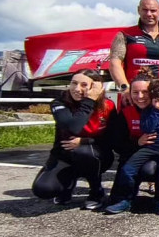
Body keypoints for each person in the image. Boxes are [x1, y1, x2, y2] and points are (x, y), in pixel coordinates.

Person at [105, 79, 159, 215]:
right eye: (135, 92)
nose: (140, 96)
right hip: (149, 148)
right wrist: (156, 111)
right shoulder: (148, 111)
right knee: (128, 169)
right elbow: (147, 127)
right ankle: (126, 199)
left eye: (144, 92)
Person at [32, 69, 115, 207]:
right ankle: (67, 184)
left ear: (96, 88)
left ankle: (96, 191)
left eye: (84, 85)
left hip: (96, 155)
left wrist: (84, 141)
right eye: (74, 83)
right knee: (43, 190)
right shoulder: (59, 103)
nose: (77, 89)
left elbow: (113, 137)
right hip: (64, 156)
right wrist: (89, 101)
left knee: (83, 151)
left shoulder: (108, 106)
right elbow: (73, 127)